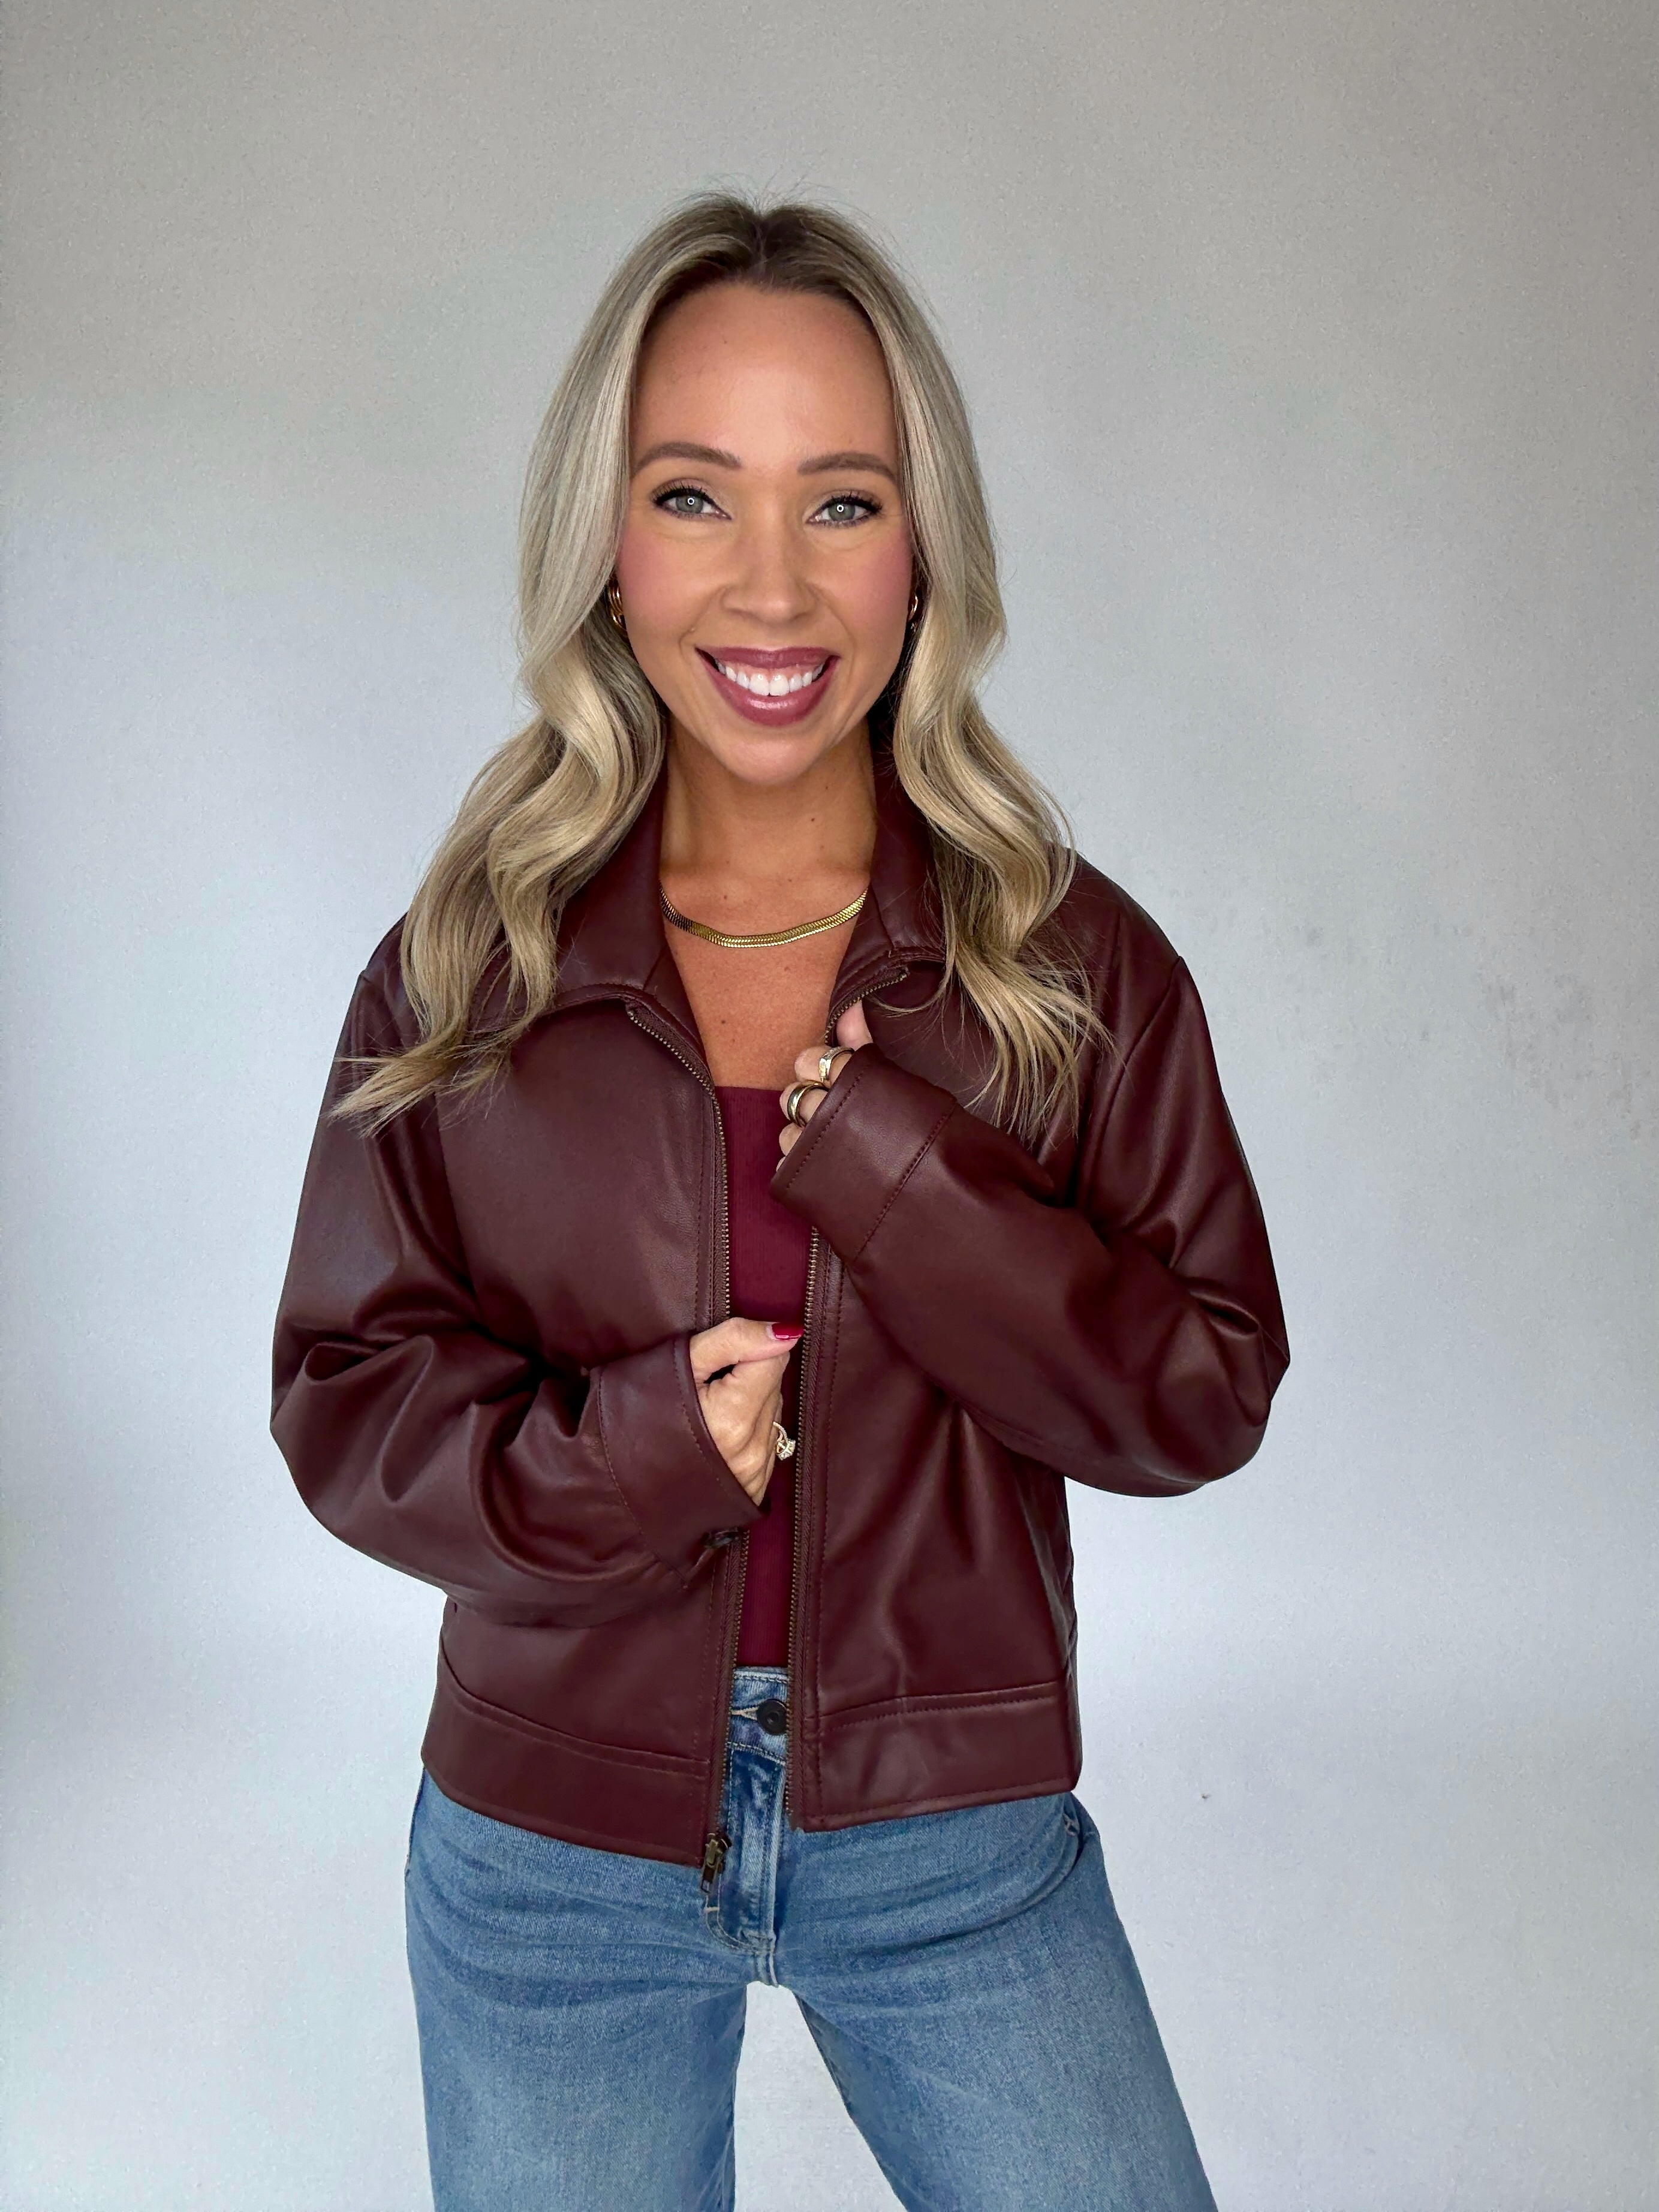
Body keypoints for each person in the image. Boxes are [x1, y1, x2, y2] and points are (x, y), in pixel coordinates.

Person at [272, 194, 1288, 2212]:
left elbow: (1206, 1387)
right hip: (553, 1848)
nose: (770, 583)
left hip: (952, 1832)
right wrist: (640, 1456)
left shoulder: (1066, 965)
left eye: (841, 501)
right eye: (692, 495)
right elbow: (345, 1397)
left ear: (923, 553)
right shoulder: (468, 966)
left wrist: (910, 1184)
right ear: (607, 544)